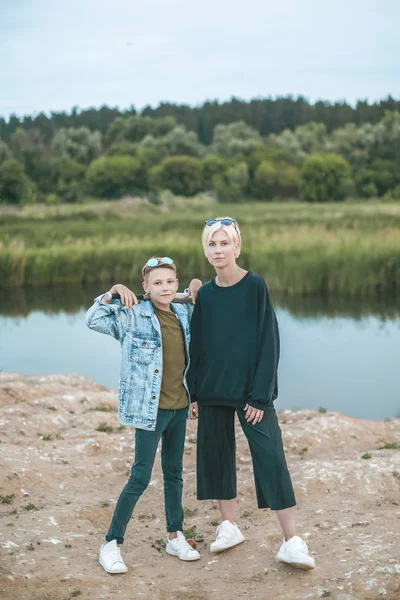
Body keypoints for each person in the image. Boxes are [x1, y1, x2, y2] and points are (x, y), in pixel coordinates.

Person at [187, 218, 316, 570]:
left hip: (250, 394)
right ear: (205, 250)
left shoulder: (255, 286)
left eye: (224, 243)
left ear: (237, 247)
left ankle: (291, 541)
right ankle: (229, 527)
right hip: (213, 389)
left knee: (271, 457)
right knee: (215, 458)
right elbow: (197, 346)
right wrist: (194, 392)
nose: (218, 250)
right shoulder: (207, 295)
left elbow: (269, 342)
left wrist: (260, 396)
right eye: (212, 244)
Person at [85, 257, 202, 574]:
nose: (165, 287)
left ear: (175, 285)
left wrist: (194, 288)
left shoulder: (184, 314)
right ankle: (111, 543)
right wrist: (111, 292)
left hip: (179, 407)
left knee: (174, 474)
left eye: (170, 282)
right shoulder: (132, 316)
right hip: (148, 411)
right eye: (157, 283)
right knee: (140, 477)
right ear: (145, 287)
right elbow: (93, 319)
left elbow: (195, 351)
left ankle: (175, 536)